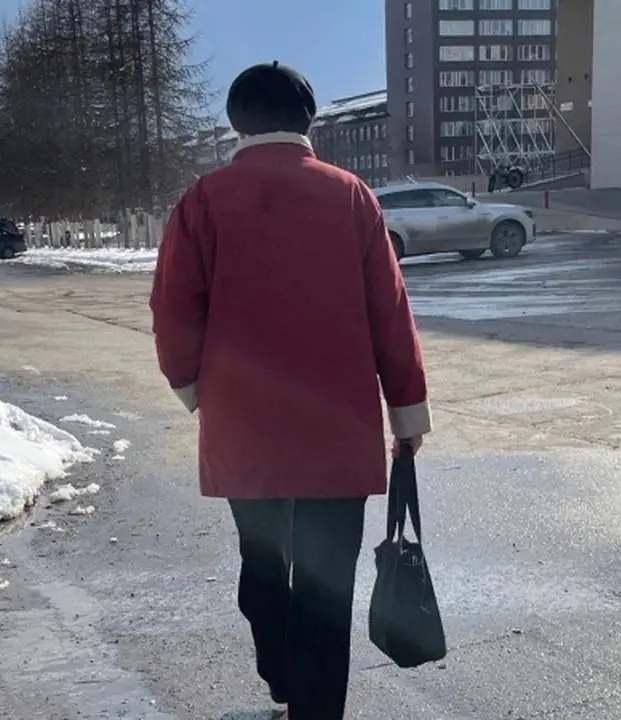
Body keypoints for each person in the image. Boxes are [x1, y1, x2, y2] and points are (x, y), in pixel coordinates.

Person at [149, 61, 431, 719]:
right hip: (338, 425)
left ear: (236, 123)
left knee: (263, 564)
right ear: (308, 120)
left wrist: (194, 390)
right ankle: (314, 707)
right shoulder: (351, 195)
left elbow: (172, 310)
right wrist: (406, 410)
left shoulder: (202, 200)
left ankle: (279, 672)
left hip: (243, 426)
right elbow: (390, 311)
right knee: (326, 587)